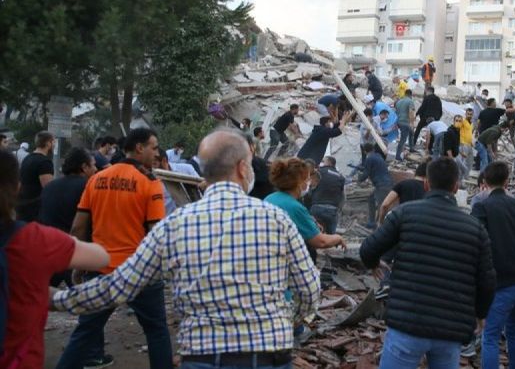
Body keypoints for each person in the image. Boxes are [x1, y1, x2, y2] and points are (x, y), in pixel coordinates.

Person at [52, 131, 321, 369]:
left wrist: (57, 299)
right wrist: (285, 321)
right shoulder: (277, 219)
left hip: (203, 356)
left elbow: (118, 286)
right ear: (242, 168)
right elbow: (309, 289)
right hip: (268, 354)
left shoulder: (175, 224)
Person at [359, 158, 496, 369]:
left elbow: (368, 248)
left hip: (407, 324)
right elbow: (487, 279)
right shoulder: (475, 228)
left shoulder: (404, 214)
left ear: (426, 184)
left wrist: (374, 264)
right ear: (456, 186)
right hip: (451, 329)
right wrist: (481, 314)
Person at [57, 128, 172, 369]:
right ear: (139, 148)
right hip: (140, 272)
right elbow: (156, 233)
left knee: (86, 331)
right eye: (153, 147)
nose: (156, 152)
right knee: (157, 332)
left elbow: (78, 227)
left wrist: (78, 262)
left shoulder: (96, 179)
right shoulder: (150, 183)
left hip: (101, 270)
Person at [0, 149, 109, 369]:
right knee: (91, 313)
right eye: (93, 165)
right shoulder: (31, 240)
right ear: (17, 188)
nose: (96, 169)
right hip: (56, 252)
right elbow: (101, 257)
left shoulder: (51, 186)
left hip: (50, 248)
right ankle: (94, 354)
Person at [471, 162, 515, 369]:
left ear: (484, 183)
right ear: (507, 182)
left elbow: (476, 244)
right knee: (514, 331)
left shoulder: (482, 207)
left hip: (502, 283)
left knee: (490, 336)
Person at [266, 157, 345, 263]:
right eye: (307, 179)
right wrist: (338, 238)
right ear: (299, 182)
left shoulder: (269, 198)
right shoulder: (294, 207)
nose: (309, 183)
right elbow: (320, 241)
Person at [40, 148, 98, 234]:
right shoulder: (88, 187)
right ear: (84, 167)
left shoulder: (49, 186)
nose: (96, 169)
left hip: (47, 240)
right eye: (93, 165)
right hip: (72, 242)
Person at [16, 131, 55, 222]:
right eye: (53, 142)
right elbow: (48, 189)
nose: (54, 145)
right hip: (35, 209)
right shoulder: (44, 162)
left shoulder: (27, 158)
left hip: (22, 205)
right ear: (48, 143)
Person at [359, 143, 393, 229]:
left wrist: (359, 178)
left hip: (382, 185)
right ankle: (372, 223)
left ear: (364, 151)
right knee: (371, 200)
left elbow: (365, 174)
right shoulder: (378, 156)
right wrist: (364, 168)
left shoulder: (369, 158)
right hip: (386, 183)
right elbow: (375, 168)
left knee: (382, 206)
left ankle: (383, 226)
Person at [310, 156, 345, 234]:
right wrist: (339, 209)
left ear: (329, 162)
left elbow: (310, 187)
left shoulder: (319, 171)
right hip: (332, 210)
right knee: (331, 237)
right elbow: (342, 195)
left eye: (323, 161)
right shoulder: (341, 177)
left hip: (317, 208)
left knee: (314, 235)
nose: (322, 163)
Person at [394, 89, 415, 159]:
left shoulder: (399, 102)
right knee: (403, 139)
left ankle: (411, 148)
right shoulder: (410, 101)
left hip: (399, 122)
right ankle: (397, 156)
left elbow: (396, 113)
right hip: (405, 123)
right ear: (410, 95)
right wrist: (412, 123)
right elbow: (411, 112)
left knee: (412, 133)